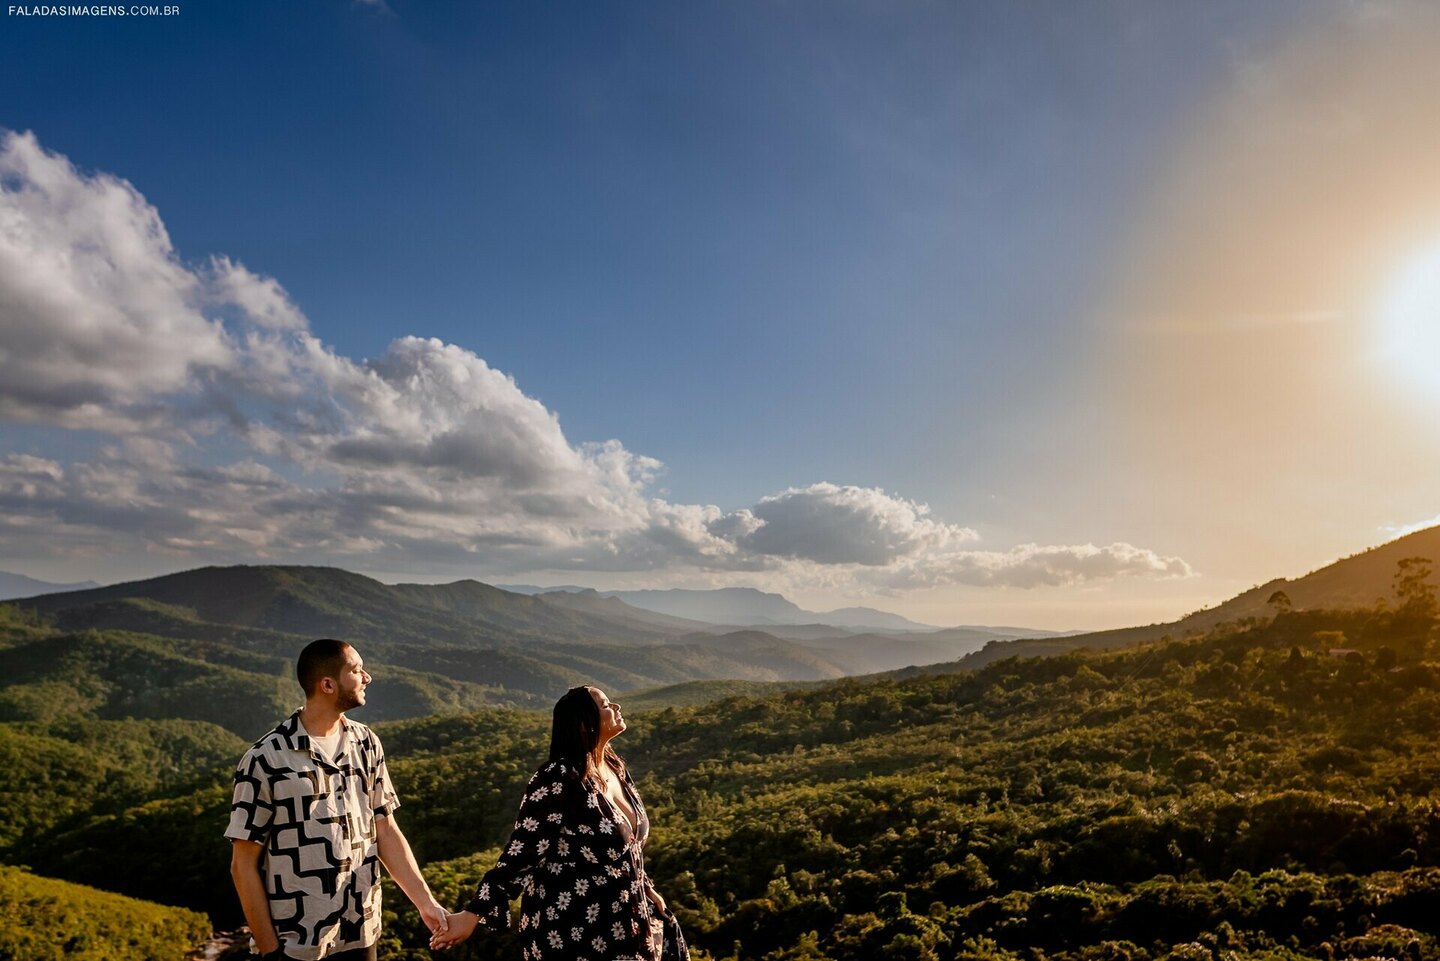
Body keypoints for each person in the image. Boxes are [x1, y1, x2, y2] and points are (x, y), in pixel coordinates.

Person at [226, 638, 449, 960]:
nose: (367, 677)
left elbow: (385, 831)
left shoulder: (366, 742)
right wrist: (269, 951)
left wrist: (426, 903)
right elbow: (242, 864)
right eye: (356, 670)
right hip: (298, 944)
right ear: (328, 684)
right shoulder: (265, 758)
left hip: (361, 932)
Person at [431, 686, 688, 961]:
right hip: (574, 929)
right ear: (582, 723)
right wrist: (473, 913)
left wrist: (646, 888)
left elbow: (628, 847)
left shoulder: (615, 767)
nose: (616, 707)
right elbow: (521, 851)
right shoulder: (559, 777)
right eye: (604, 705)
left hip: (627, 921)